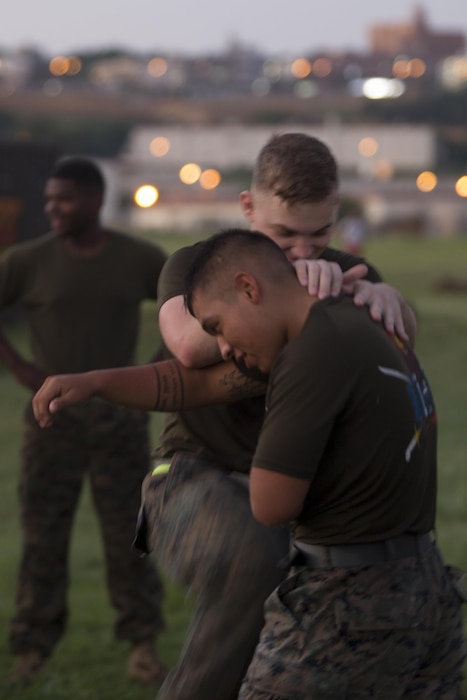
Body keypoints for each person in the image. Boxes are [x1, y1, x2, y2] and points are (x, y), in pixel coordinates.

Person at [33, 134, 417, 700]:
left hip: (298, 489)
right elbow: (188, 348)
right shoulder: (200, 265)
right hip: (193, 477)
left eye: (319, 234)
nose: (303, 253)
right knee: (253, 562)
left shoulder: (343, 271)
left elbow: (397, 354)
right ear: (247, 208)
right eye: (284, 234)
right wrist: (295, 305)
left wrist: (389, 300)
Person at [183, 228, 466, 699]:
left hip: (349, 602)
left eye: (216, 325)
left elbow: (270, 503)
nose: (225, 347)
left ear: (248, 288)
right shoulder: (368, 319)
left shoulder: (310, 350)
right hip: (427, 583)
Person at [0, 157, 168, 686]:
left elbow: (183, 306)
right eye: (48, 199)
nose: (51, 208)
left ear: (95, 200)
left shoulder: (136, 257)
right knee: (43, 535)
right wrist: (23, 367)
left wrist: (154, 368)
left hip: (120, 421)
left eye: (64, 199)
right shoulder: (28, 261)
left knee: (130, 535)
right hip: (52, 421)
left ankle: (142, 646)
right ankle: (32, 650)